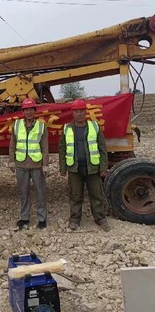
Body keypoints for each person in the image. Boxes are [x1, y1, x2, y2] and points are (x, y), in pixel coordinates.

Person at [59, 99, 111, 232]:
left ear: (85, 112)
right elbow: (62, 148)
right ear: (73, 113)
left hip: (92, 167)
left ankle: (100, 219)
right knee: (75, 195)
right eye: (76, 111)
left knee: (96, 194)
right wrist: (63, 167)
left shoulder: (94, 126)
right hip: (74, 168)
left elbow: (102, 148)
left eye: (81, 111)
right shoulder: (67, 128)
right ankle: (75, 219)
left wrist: (103, 167)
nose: (79, 114)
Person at [9, 98, 49, 230]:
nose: (29, 112)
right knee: (23, 193)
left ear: (35, 111)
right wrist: (11, 161)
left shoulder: (41, 126)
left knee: (40, 192)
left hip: (36, 165)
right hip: (21, 164)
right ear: (23, 112)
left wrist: (45, 164)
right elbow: (12, 144)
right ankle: (24, 217)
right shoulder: (17, 125)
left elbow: (44, 147)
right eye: (26, 110)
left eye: (31, 109)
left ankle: (42, 218)